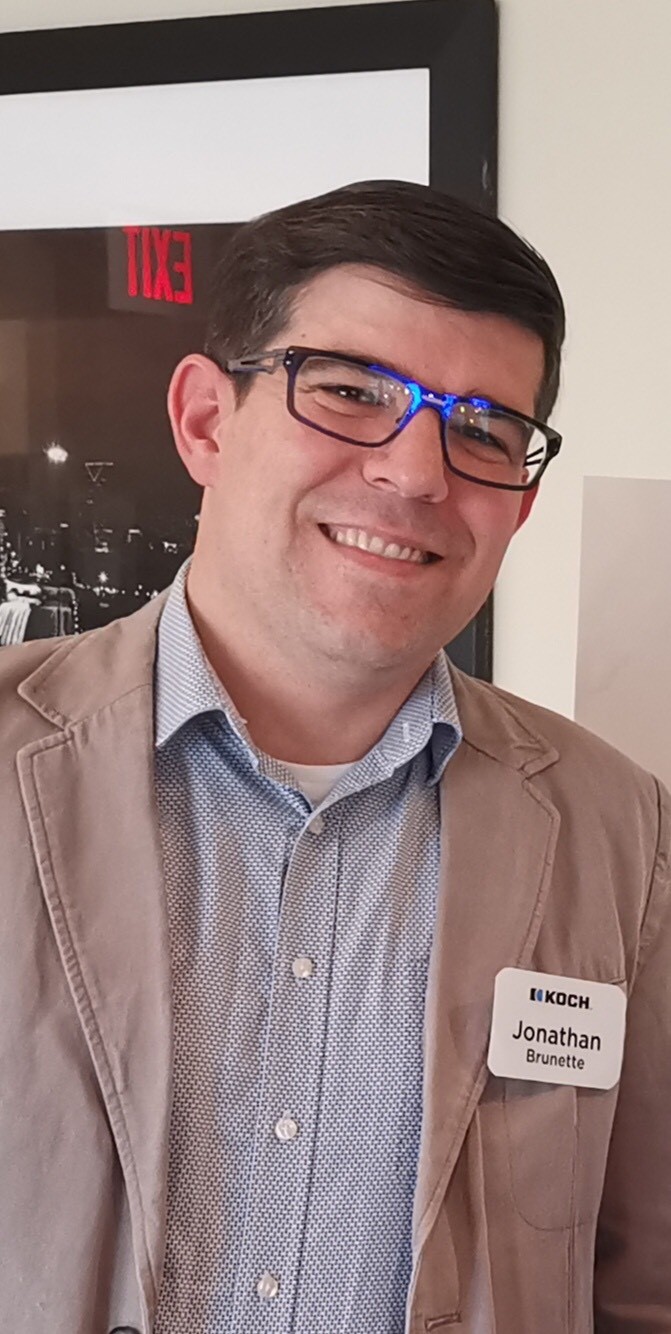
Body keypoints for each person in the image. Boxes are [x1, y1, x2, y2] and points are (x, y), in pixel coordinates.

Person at [1, 180, 669, 1334]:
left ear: (519, 503)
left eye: (480, 429)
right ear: (206, 420)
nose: (415, 473)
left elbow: (641, 1282)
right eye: (351, 390)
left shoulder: (623, 835)